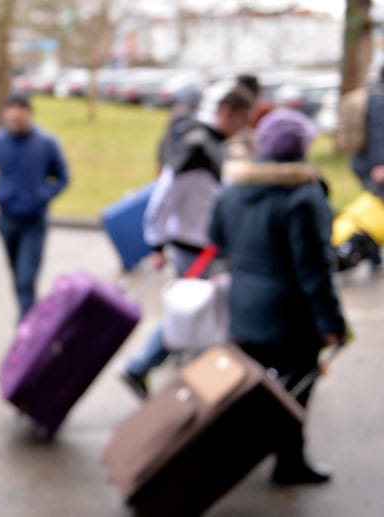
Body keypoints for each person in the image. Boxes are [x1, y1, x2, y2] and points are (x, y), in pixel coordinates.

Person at [210, 109, 347, 485]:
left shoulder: (235, 188)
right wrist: (332, 324)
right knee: (294, 391)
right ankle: (289, 463)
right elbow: (315, 269)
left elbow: (218, 239)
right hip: (291, 317)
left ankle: (228, 452)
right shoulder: (305, 194)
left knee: (248, 387)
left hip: (243, 307)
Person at [121, 89, 253, 398]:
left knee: (194, 314)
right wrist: (157, 244)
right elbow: (164, 196)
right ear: (229, 112)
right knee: (191, 314)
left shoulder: (211, 144)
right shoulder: (197, 147)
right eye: (244, 120)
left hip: (201, 245)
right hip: (193, 249)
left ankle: (154, 368)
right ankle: (144, 367)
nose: (244, 128)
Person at [0, 93, 69, 318]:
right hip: (7, 220)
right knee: (17, 278)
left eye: (20, 113)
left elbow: (62, 177)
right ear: (6, 114)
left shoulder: (46, 143)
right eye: (11, 113)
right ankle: (29, 320)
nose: (16, 118)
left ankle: (25, 331)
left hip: (34, 222)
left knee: (26, 280)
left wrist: (44, 195)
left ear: (29, 114)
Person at [349, 66, 384, 268]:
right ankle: (367, 255)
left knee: (373, 209)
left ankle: (371, 256)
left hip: (363, 163)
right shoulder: (378, 99)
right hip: (375, 167)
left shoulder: (370, 94)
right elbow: (378, 132)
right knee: (373, 210)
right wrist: (380, 164)